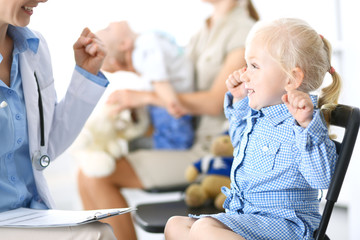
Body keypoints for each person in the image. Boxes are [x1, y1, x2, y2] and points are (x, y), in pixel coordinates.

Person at [77, 0, 259, 239]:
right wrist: (137, 69)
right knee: (87, 173)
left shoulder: (244, 31)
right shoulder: (203, 31)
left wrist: (143, 97)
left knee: (96, 176)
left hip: (212, 152)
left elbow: (216, 102)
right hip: (189, 141)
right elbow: (177, 88)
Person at [164, 17, 342, 240]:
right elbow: (239, 147)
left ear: (292, 78)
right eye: (247, 65)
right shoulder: (259, 115)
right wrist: (239, 101)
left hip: (287, 225)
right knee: (175, 225)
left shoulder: (303, 123)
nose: (245, 74)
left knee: (203, 229)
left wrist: (305, 126)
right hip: (249, 217)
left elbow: (322, 179)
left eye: (254, 66)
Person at [0, 0, 116, 239]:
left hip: (30, 213)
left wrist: (86, 74)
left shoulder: (34, 47)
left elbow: (44, 147)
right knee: (97, 235)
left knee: (98, 231)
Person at [96, 21, 195, 150]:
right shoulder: (144, 46)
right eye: (107, 28)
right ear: (124, 44)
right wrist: (171, 102)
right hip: (169, 104)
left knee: (164, 129)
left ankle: (142, 144)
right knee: (176, 139)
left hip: (171, 100)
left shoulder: (144, 45)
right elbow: (159, 80)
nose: (110, 22)